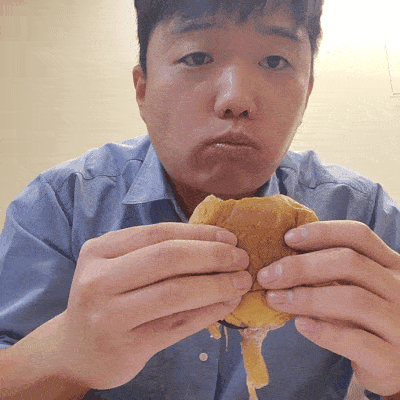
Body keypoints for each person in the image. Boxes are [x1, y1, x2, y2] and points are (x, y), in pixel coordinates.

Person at [0, 0, 399, 399]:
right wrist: (63, 354)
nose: (236, 100)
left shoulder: (365, 219)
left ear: (306, 93)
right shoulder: (63, 205)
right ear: (143, 90)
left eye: (275, 61)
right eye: (196, 57)